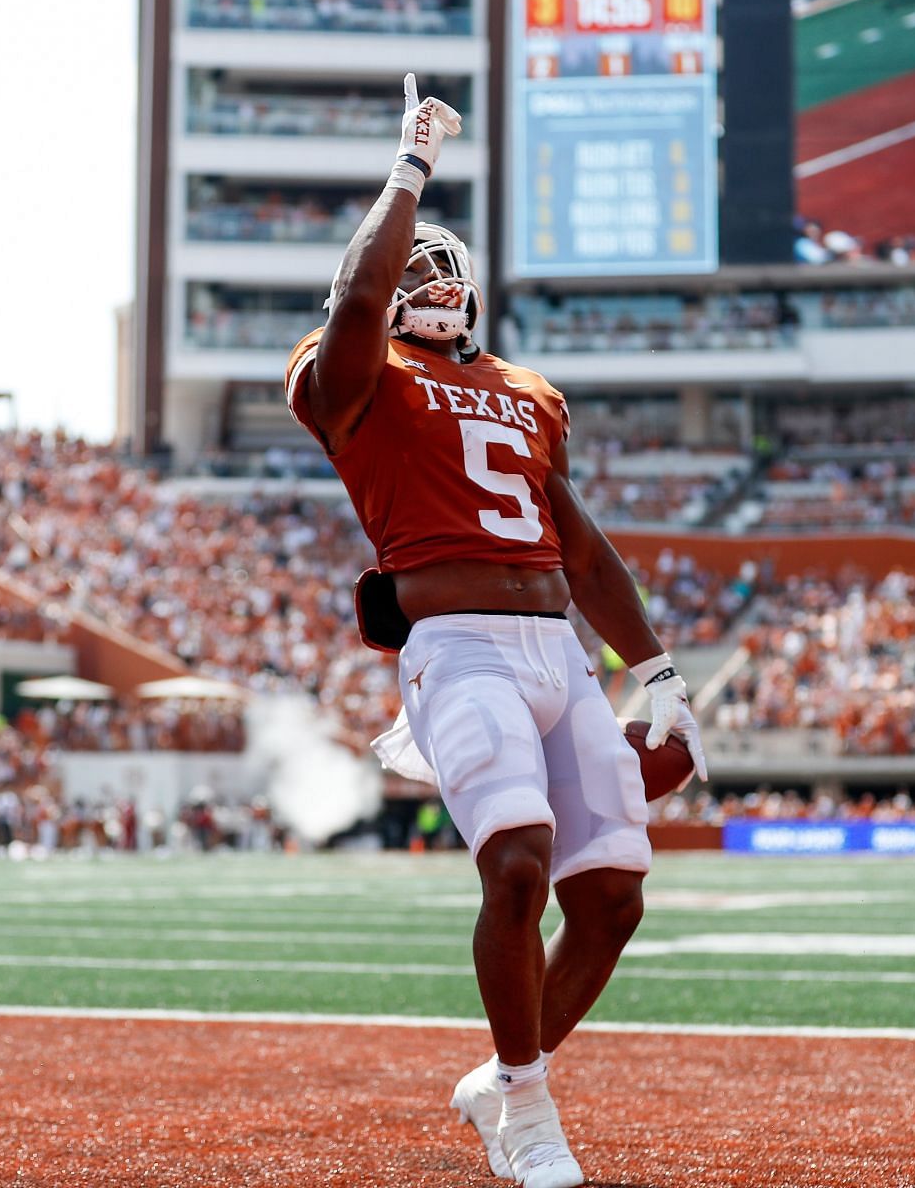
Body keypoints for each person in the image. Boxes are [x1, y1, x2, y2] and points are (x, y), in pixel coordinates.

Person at [284, 74, 708, 1188]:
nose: (422, 277)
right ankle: (527, 1108)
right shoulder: (354, 375)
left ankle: (502, 1074)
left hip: (560, 651)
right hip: (458, 647)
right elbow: (357, 309)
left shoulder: (530, 390)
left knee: (612, 894)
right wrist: (410, 169)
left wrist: (656, 666)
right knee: (516, 864)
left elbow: (580, 540)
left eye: (436, 260)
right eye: (403, 262)